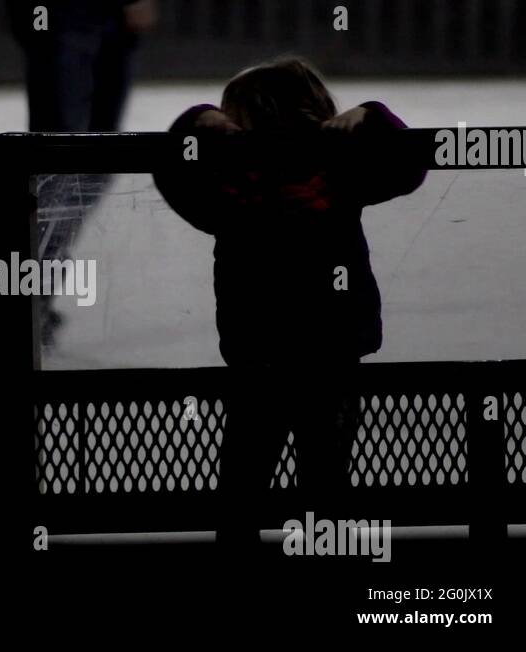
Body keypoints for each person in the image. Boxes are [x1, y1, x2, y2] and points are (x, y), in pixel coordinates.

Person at [153, 58, 427, 553]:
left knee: (243, 474)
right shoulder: (339, 169)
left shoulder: (229, 188)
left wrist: (195, 119)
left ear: (237, 117)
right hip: (335, 346)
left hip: (256, 347)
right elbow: (410, 163)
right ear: (319, 107)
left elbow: (171, 169)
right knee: (325, 475)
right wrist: (373, 114)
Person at [8, 0, 158, 346]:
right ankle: (32, 292)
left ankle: (34, 289)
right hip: (68, 16)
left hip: (95, 19)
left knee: (86, 160)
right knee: (59, 161)